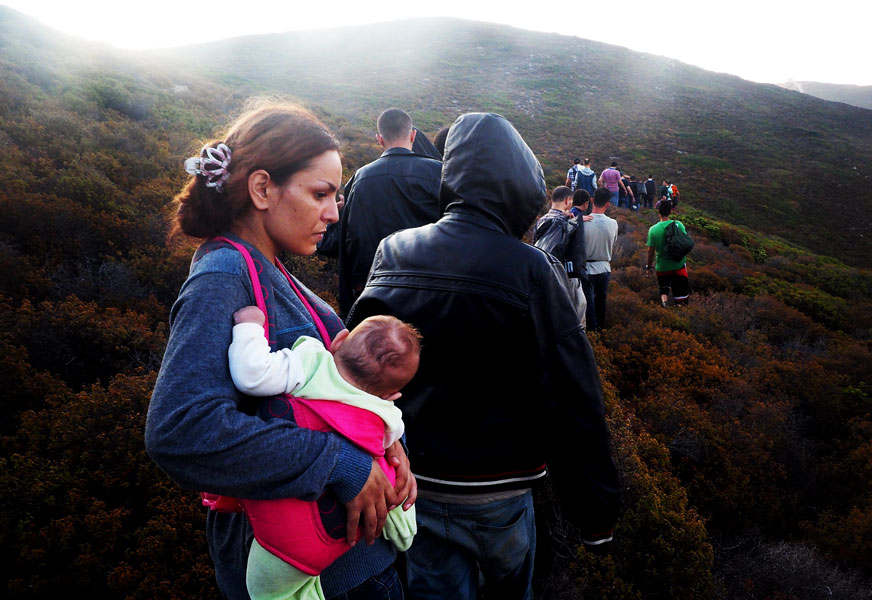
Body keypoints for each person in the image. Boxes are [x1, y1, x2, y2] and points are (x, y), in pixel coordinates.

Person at [145, 102, 414, 600]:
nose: (333, 213)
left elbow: (335, 386)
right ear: (262, 189)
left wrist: (389, 445)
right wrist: (342, 464)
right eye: (320, 194)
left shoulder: (269, 267)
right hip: (312, 577)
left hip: (348, 563)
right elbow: (180, 430)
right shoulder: (223, 277)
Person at [348, 112, 621, 600]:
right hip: (500, 488)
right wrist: (595, 514)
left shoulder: (393, 250)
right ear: (519, 186)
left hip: (412, 481)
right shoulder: (531, 268)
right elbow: (575, 394)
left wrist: (354, 464)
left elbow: (353, 367)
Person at [229, 307, 421, 600]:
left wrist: (249, 327)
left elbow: (252, 374)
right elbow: (392, 448)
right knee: (392, 477)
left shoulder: (309, 362)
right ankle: (405, 531)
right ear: (391, 395)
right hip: (358, 545)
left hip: (291, 539)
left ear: (338, 340)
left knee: (271, 590)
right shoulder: (384, 409)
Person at [317, 108, 442, 317]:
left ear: (379, 139)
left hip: (373, 292)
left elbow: (344, 240)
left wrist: (335, 218)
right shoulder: (437, 173)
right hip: (428, 290)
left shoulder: (360, 179)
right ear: (412, 135)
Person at [533, 186, 587, 327]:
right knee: (574, 318)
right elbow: (574, 251)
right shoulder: (566, 222)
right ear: (568, 200)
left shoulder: (541, 220)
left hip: (541, 275)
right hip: (565, 277)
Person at [582, 187, 618, 330]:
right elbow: (613, 243)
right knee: (601, 302)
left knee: (588, 304)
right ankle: (600, 331)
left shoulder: (583, 222)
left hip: (586, 268)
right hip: (604, 267)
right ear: (607, 204)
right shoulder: (613, 223)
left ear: (592, 200)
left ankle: (590, 333)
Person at [646, 200, 691, 307]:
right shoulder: (679, 225)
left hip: (662, 266)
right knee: (681, 294)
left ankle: (664, 304)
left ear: (659, 212)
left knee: (663, 288)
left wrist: (649, 267)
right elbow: (684, 242)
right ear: (670, 212)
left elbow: (650, 252)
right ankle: (681, 310)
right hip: (679, 264)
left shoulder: (653, 230)